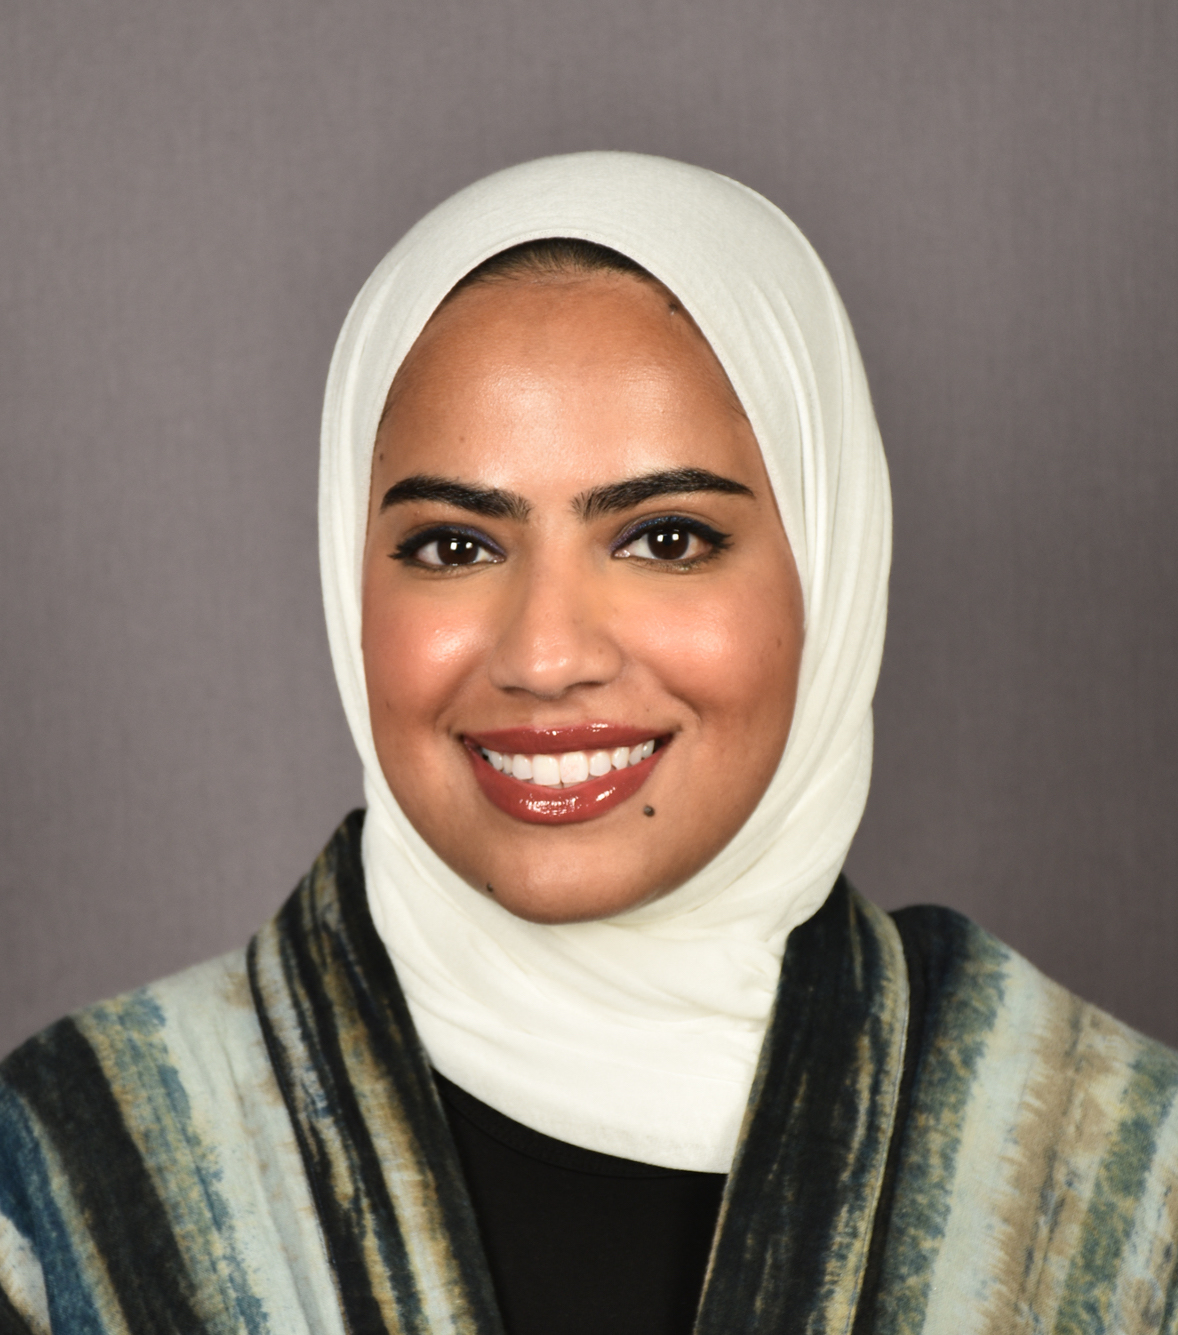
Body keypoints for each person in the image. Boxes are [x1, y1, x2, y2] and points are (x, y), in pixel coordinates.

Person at [2, 151, 1177, 1335]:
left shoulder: (1120, 1190)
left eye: (664, 539)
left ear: (830, 561)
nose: (547, 653)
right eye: (454, 546)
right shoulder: (65, 1189)